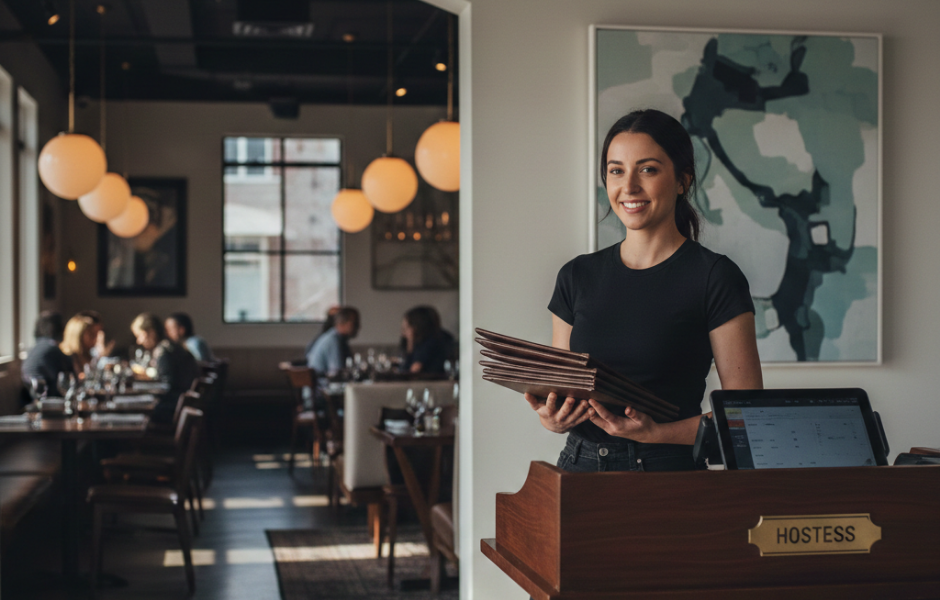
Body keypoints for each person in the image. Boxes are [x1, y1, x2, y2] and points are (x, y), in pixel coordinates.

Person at [525, 109, 763, 473]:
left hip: (667, 475)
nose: (629, 187)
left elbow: (746, 417)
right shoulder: (576, 275)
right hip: (578, 469)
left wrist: (657, 433)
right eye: (616, 170)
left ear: (683, 180)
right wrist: (553, 418)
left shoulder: (715, 277)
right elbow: (564, 393)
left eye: (648, 169)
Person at [131, 313, 200, 423]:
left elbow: (167, 386)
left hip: (175, 407)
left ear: (151, 332)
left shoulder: (164, 352)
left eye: (140, 335)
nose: (139, 341)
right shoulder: (168, 346)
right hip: (182, 403)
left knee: (136, 413)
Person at [21, 311, 72, 391]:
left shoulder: (36, 347)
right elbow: (66, 376)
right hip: (45, 394)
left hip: (29, 394)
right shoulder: (52, 349)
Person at [306, 307, 360, 376]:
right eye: (355, 323)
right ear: (342, 323)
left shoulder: (338, 339)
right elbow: (337, 372)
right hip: (322, 386)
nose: (358, 326)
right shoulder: (333, 341)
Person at [400, 306, 448, 375]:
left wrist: (410, 345)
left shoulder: (428, 342)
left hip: (430, 384)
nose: (403, 334)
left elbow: (413, 371)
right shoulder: (442, 337)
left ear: (416, 327)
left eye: (406, 328)